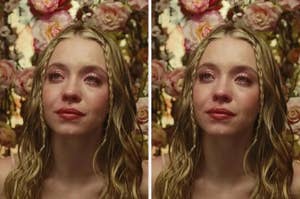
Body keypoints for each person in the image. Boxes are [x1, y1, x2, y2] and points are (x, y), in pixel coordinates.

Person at [152, 22, 300, 199]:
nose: (221, 91)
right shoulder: (152, 181)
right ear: (190, 90)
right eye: (207, 76)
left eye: (242, 79)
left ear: (265, 96)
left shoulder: (294, 186)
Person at [0, 22, 145, 199]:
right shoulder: (4, 181)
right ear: (39, 91)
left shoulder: (143, 187)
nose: (70, 91)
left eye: (91, 79)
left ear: (114, 96)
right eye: (56, 76)